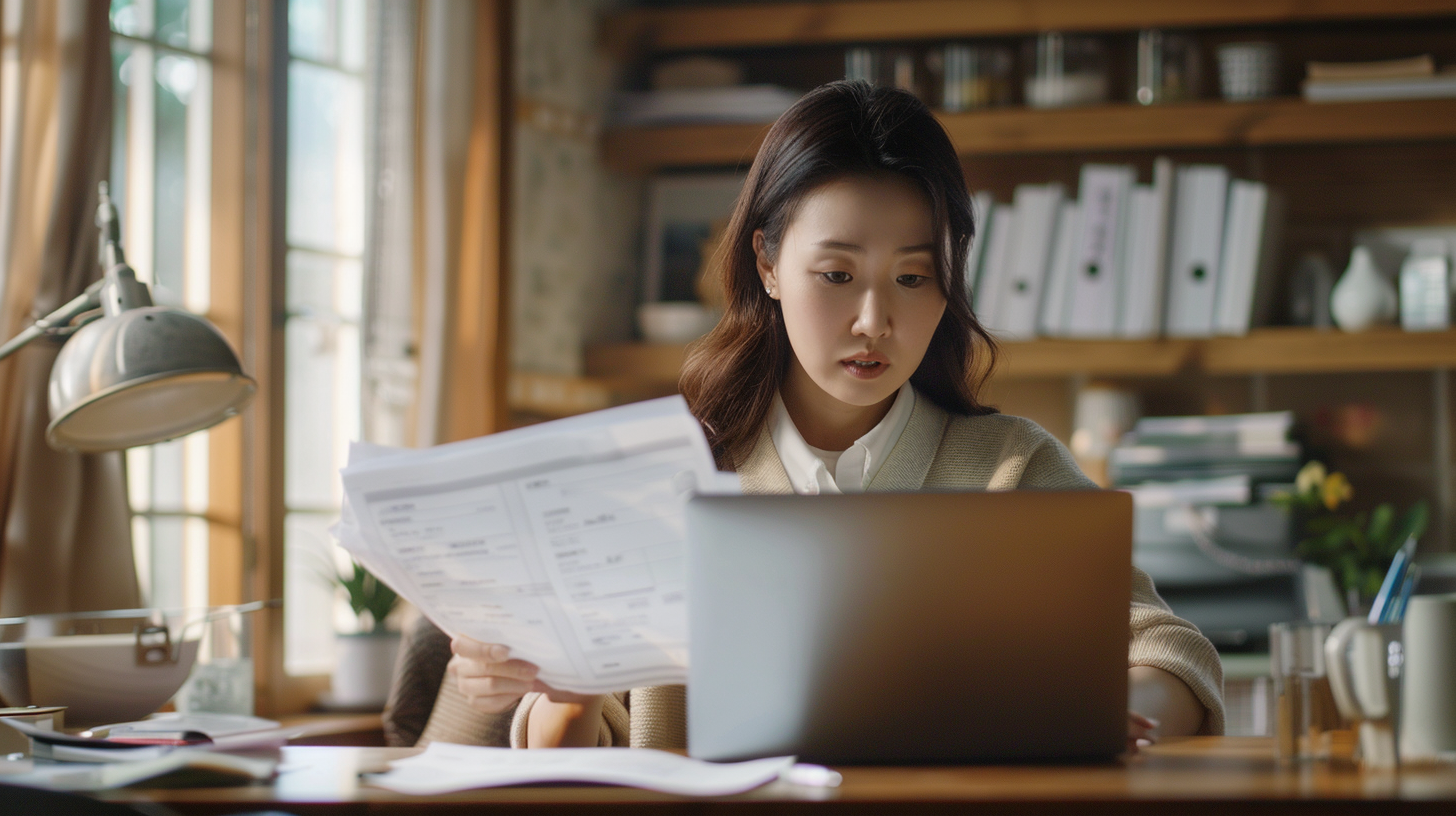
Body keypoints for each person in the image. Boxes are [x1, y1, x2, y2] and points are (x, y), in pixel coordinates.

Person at [436, 81, 1223, 753]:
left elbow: (1172, 648)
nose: (875, 319)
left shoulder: (1009, 470)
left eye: (915, 276)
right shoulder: (665, 482)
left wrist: (1131, 714)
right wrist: (562, 690)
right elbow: (582, 745)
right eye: (838, 274)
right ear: (769, 265)